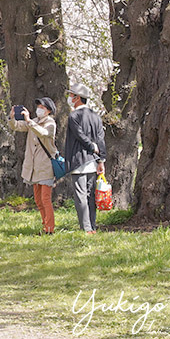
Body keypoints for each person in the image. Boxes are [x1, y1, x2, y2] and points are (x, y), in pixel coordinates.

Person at [9, 97, 58, 234]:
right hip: (34, 167)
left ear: (48, 110)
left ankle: (50, 229)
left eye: (42, 107)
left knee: (45, 198)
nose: (39, 109)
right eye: (38, 106)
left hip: (46, 166)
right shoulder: (33, 122)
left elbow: (43, 133)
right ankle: (45, 226)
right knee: (38, 199)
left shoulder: (50, 123)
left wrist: (29, 120)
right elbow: (17, 126)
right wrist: (12, 118)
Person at [64, 82, 107, 234]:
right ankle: (92, 226)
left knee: (80, 196)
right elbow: (101, 138)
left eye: (71, 95)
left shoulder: (74, 116)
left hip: (79, 160)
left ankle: (86, 228)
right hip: (93, 161)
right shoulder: (96, 116)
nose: (69, 97)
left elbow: (79, 135)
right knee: (90, 196)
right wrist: (101, 158)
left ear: (77, 98)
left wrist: (91, 146)